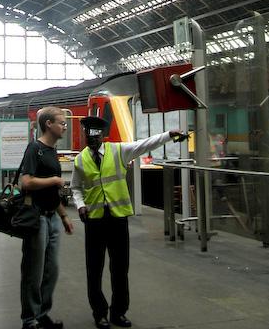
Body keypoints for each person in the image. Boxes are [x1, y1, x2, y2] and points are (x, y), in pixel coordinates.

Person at [71, 116, 187, 329]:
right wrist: (80, 205)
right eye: (88, 135)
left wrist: (168, 136)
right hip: (94, 221)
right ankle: (99, 313)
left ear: (103, 136)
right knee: (94, 269)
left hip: (117, 219)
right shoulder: (79, 160)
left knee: (120, 268)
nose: (91, 139)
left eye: (95, 136)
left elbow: (144, 144)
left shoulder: (119, 151)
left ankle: (118, 312)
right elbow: (75, 187)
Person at [19, 106, 74, 329]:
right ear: (48, 124)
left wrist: (63, 216)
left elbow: (52, 193)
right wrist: (54, 180)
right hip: (36, 218)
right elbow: (26, 182)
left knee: (52, 269)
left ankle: (43, 313)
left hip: (52, 217)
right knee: (34, 270)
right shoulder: (35, 149)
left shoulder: (52, 151)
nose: (65, 126)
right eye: (62, 122)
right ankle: (29, 319)